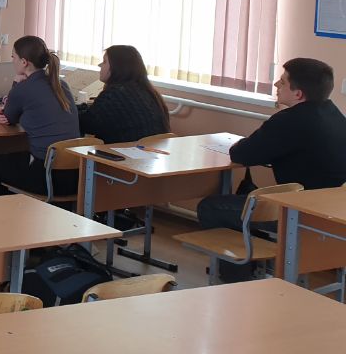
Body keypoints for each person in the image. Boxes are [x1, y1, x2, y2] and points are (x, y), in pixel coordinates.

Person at [195, 58, 346, 282]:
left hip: (300, 214)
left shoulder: (289, 120)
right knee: (248, 202)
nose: (276, 85)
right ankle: (258, 263)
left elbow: (241, 154)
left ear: (298, 94)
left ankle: (237, 278)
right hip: (332, 212)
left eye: (282, 82)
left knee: (211, 207)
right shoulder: (334, 114)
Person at [0, 36, 81, 197]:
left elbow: (8, 118)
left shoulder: (23, 89)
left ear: (24, 62)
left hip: (47, 177)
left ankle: (6, 209)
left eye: (13, 57)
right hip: (75, 177)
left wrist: (15, 85)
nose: (12, 60)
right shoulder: (61, 85)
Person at [78, 45, 171, 144]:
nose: (100, 65)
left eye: (104, 62)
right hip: (152, 151)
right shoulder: (148, 92)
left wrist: (71, 109)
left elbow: (87, 124)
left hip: (124, 152)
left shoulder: (114, 94)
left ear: (117, 67)